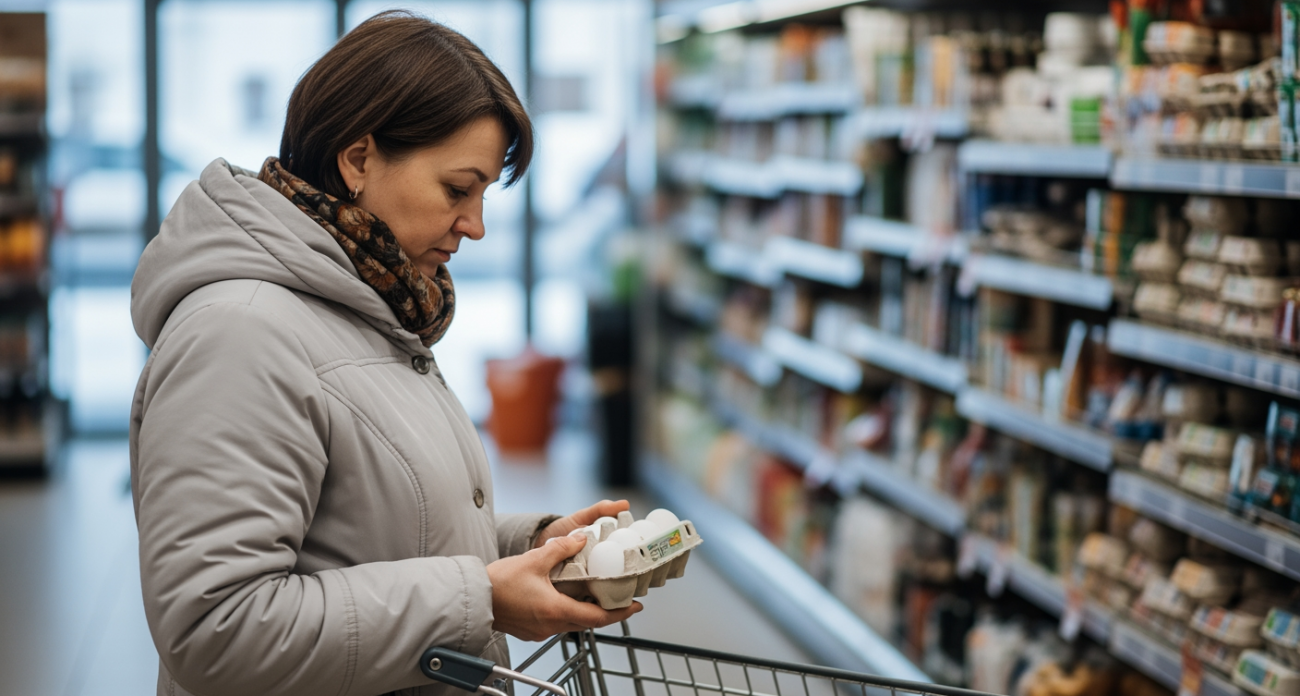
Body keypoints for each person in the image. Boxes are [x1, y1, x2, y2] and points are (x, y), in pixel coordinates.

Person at [128, 12, 639, 696]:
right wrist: (482, 599)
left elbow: (371, 531)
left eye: (484, 194)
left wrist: (532, 549)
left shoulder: (374, 305)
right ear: (360, 158)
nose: (477, 225)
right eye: (458, 189)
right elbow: (218, 629)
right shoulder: (239, 331)